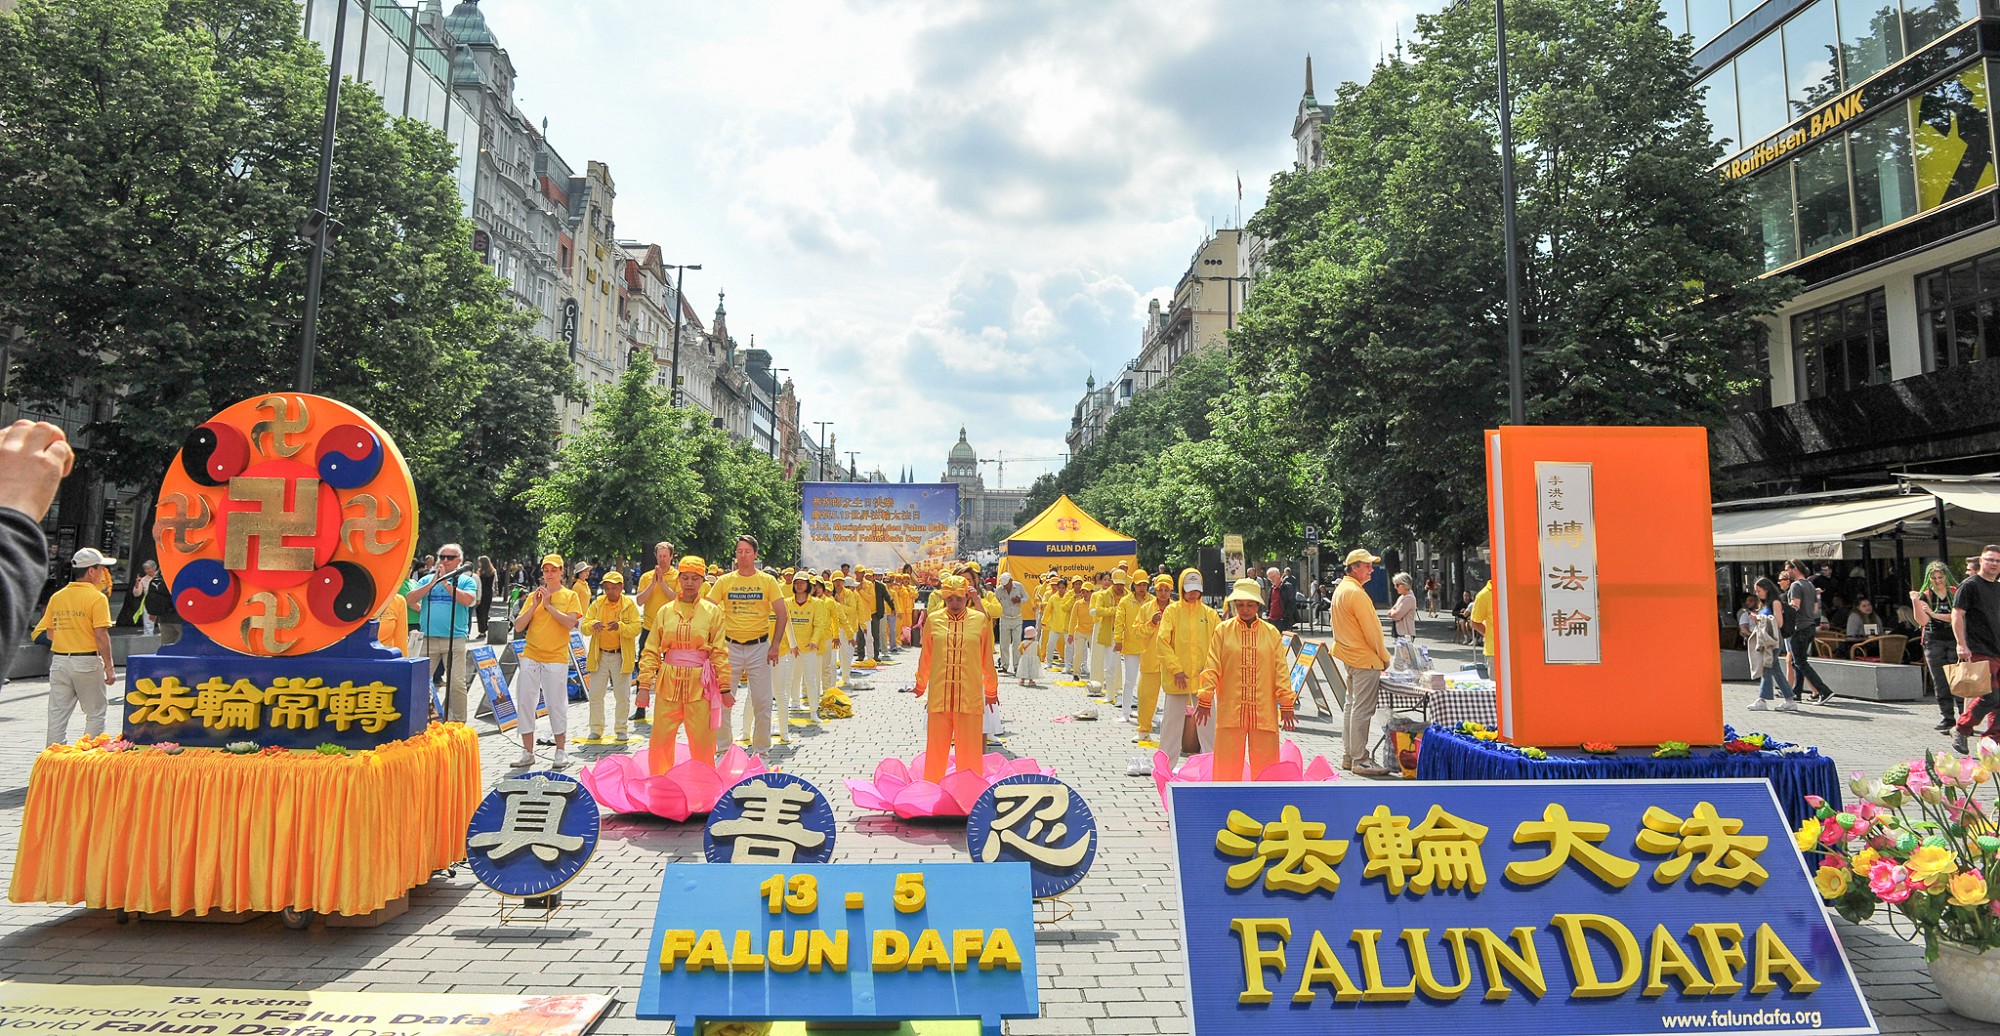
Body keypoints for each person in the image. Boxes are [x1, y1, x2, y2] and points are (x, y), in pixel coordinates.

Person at [1195, 578, 1297, 781]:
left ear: (1258, 605)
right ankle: (1224, 804)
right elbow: (1212, 665)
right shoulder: (1223, 631)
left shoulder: (1270, 633)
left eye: (1250, 604)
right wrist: (1205, 698)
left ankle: (1264, 806)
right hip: (1231, 709)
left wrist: (1287, 704)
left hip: (1263, 709)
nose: (1245, 609)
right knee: (1226, 765)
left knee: (1267, 767)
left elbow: (1281, 670)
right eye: (1240, 604)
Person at [636, 555, 731, 772]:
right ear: (678, 579)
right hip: (668, 682)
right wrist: (643, 686)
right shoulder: (665, 611)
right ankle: (659, 787)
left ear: (703, 581)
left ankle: (703, 789)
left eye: (695, 578)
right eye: (685, 578)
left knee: (703, 743)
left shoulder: (712, 612)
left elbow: (719, 652)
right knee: (660, 740)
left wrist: (724, 687)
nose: (689, 583)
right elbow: (650, 650)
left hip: (700, 685)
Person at [913, 575, 998, 782]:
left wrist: (991, 690)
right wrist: (921, 683)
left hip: (969, 696)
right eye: (950, 599)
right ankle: (930, 791)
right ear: (944, 598)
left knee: (970, 752)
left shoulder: (979, 621)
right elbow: (926, 655)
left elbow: (987, 658)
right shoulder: (934, 619)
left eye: (959, 599)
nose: (955, 604)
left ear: (966, 597)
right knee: (935, 750)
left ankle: (968, 793)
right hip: (940, 696)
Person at [33, 546, 118, 745]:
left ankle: (54, 760)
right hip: (86, 661)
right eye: (101, 569)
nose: (103, 573)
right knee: (95, 713)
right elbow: (101, 635)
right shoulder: (97, 598)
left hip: (60, 661)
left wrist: (68, 636)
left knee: (57, 716)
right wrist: (109, 667)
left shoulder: (58, 596)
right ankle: (88, 757)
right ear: (91, 571)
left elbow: (48, 631)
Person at [713, 535, 787, 752]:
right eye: (739, 552)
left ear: (755, 554)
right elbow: (708, 609)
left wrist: (775, 645)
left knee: (763, 702)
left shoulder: (768, 581)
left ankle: (761, 750)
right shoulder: (725, 581)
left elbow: (782, 614)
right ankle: (723, 748)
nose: (743, 556)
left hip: (760, 648)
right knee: (723, 701)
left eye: (747, 552)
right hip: (729, 648)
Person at [510, 554, 581, 769]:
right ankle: (527, 751)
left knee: (556, 703)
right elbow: (519, 626)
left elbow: (570, 623)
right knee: (525, 702)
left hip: (556, 657)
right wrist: (534, 605)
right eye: (546, 570)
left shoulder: (570, 596)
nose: (549, 574)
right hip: (531, 654)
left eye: (554, 570)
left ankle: (560, 751)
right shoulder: (534, 596)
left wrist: (549, 606)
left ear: (562, 572)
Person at [1331, 549, 1393, 775]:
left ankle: (1350, 755)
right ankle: (1361, 759)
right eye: (1367, 565)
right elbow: (1372, 632)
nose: (1371, 569)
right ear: (1355, 567)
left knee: (1352, 706)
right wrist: (1385, 657)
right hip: (1364, 659)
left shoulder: (1342, 590)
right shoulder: (1356, 593)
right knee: (1362, 710)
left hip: (1351, 656)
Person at [1156, 567, 1220, 767]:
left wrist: (1210, 671)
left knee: (1208, 724)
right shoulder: (1172, 612)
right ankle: (1165, 766)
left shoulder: (1210, 614)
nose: (1193, 594)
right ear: (1182, 588)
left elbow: (1219, 644)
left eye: (1196, 589)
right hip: (1178, 677)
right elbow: (1162, 642)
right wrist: (1176, 669)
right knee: (1171, 724)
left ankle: (1213, 766)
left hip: (1203, 680)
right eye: (1189, 589)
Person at [409, 543, 479, 722]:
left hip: (454, 639)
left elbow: (469, 600)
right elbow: (410, 599)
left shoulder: (466, 581)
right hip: (428, 639)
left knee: (456, 683)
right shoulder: (426, 579)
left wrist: (447, 584)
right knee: (420, 682)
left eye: (450, 558)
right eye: (442, 557)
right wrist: (433, 583)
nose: (445, 561)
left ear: (459, 561)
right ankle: (418, 720)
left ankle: (458, 722)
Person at [1951, 545, 2000, 753]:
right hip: (1979, 648)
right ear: (1981, 560)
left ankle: (1992, 744)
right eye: (1990, 560)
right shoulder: (1970, 585)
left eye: (1998, 561)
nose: (1994, 564)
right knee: (1990, 696)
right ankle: (1961, 728)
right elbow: (1957, 614)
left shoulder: (1998, 588)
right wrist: (1961, 644)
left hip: (1997, 649)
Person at [582, 571, 640, 742]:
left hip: (620, 656)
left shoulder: (629, 605)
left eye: (614, 588)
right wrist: (593, 624)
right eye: (607, 588)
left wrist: (621, 627)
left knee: (622, 696)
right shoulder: (598, 603)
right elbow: (584, 626)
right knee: (596, 695)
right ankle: (596, 729)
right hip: (599, 655)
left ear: (621, 587)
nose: (610, 592)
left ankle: (621, 729)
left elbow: (636, 628)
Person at [631, 541, 677, 722]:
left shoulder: (678, 575)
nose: (663, 559)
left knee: (670, 670)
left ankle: (669, 709)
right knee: (644, 668)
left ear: (672, 557)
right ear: (655, 556)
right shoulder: (646, 577)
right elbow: (640, 601)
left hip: (671, 630)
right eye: (660, 556)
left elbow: (678, 599)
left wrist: (663, 583)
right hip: (649, 629)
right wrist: (653, 583)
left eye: (666, 556)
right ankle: (640, 709)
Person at [1783, 559, 1837, 704]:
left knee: (1800, 662)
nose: (1786, 573)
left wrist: (1783, 609)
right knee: (1797, 661)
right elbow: (1814, 609)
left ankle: (1824, 691)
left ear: (1795, 569)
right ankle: (1797, 693)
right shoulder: (1810, 585)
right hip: (1810, 626)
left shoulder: (1796, 586)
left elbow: (1795, 606)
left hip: (1799, 627)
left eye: (1787, 569)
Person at [1915, 561, 1959, 732]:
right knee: (1940, 680)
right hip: (1933, 640)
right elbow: (1922, 621)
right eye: (1934, 578)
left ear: (1946, 577)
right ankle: (1947, 717)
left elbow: (1955, 617)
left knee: (1957, 678)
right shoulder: (1925, 595)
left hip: (1953, 638)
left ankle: (1964, 718)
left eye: (1940, 577)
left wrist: (1933, 614)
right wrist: (1915, 602)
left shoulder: (1954, 593)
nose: (1938, 580)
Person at [1129, 573, 1172, 741]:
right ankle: (1144, 731)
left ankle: (1177, 733)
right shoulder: (1146, 609)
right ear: (1155, 589)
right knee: (1146, 696)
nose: (1162, 593)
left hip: (1172, 662)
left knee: (1177, 700)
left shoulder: (1177, 609)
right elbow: (1137, 631)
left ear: (1171, 591)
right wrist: (1151, 623)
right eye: (1160, 589)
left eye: (1166, 590)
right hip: (1150, 658)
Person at [779, 570, 827, 718]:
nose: (799, 585)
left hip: (808, 648)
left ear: (808, 585)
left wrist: (814, 640)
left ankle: (813, 711)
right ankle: (789, 708)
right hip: (790, 648)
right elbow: (782, 624)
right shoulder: (787, 603)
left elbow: (819, 624)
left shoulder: (817, 603)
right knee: (788, 679)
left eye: (802, 583)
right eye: (797, 583)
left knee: (810, 679)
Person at [1746, 576, 1797, 712]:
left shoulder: (1775, 602)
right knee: (1774, 670)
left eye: (1759, 591)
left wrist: (1759, 618)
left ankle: (1762, 699)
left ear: (1767, 589)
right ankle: (1789, 699)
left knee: (1767, 668)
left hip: (1773, 640)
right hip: (1767, 639)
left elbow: (1778, 622)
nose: (1757, 594)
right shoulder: (1764, 604)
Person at [1093, 570, 1129, 705]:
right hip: (1110, 632)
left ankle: (1124, 693)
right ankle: (1110, 694)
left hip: (1127, 633)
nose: (1120, 587)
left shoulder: (1129, 596)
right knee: (1109, 665)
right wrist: (1115, 609)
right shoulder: (1103, 595)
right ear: (1113, 582)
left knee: (1129, 666)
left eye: (1122, 584)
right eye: (1117, 584)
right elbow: (1099, 610)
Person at [995, 572, 1026, 674]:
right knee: (1004, 643)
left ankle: (1017, 666)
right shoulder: (999, 590)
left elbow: (1026, 597)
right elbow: (995, 604)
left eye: (1007, 584)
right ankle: (1004, 665)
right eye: (1003, 585)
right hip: (1004, 618)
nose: (1005, 587)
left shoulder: (1019, 586)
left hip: (1017, 618)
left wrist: (1020, 600)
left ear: (1011, 581)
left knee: (1017, 643)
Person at [1387, 572, 1418, 667]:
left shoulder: (1409, 598)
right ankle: (1409, 679)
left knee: (1399, 663)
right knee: (1405, 662)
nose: (1395, 587)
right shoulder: (1402, 597)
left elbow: (1397, 615)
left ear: (1405, 585)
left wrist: (1393, 612)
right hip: (1400, 633)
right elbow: (1391, 612)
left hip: (1405, 634)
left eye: (1397, 585)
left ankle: (1405, 680)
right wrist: (1393, 611)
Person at [1468, 578, 1497, 672]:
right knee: (1495, 684)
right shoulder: (1483, 595)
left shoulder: (1514, 588)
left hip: (1520, 650)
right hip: (1494, 651)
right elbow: (1474, 622)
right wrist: (1488, 633)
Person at [474, 556, 498, 637]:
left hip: (481, 592)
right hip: (489, 592)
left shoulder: (480, 572)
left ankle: (482, 630)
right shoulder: (492, 571)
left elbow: (478, 582)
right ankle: (484, 627)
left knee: (480, 611)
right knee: (486, 611)